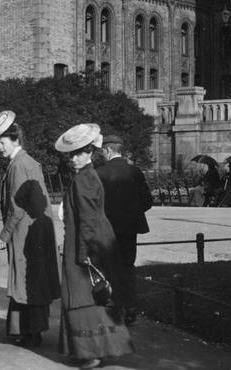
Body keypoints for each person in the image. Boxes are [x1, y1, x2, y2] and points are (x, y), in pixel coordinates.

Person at [55, 124, 134, 369]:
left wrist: (83, 253)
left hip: (88, 242)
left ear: (90, 152)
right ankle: (93, 348)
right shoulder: (86, 176)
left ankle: (91, 351)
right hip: (92, 239)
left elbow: (87, 220)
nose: (73, 158)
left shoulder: (85, 179)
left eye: (79, 153)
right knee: (93, 296)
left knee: (82, 296)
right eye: (71, 154)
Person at [0, 111, 60, 347]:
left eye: (2, 142)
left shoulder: (19, 165)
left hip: (25, 232)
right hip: (34, 231)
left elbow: (16, 208)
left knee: (25, 279)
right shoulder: (25, 161)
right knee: (32, 278)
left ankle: (29, 331)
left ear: (14, 139)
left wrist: (3, 236)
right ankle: (29, 329)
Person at [97, 134, 153, 325]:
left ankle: (113, 308)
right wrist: (130, 213)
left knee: (108, 268)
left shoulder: (100, 173)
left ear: (108, 150)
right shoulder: (134, 172)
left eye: (102, 151)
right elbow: (147, 201)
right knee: (128, 267)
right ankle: (130, 309)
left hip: (107, 229)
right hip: (129, 229)